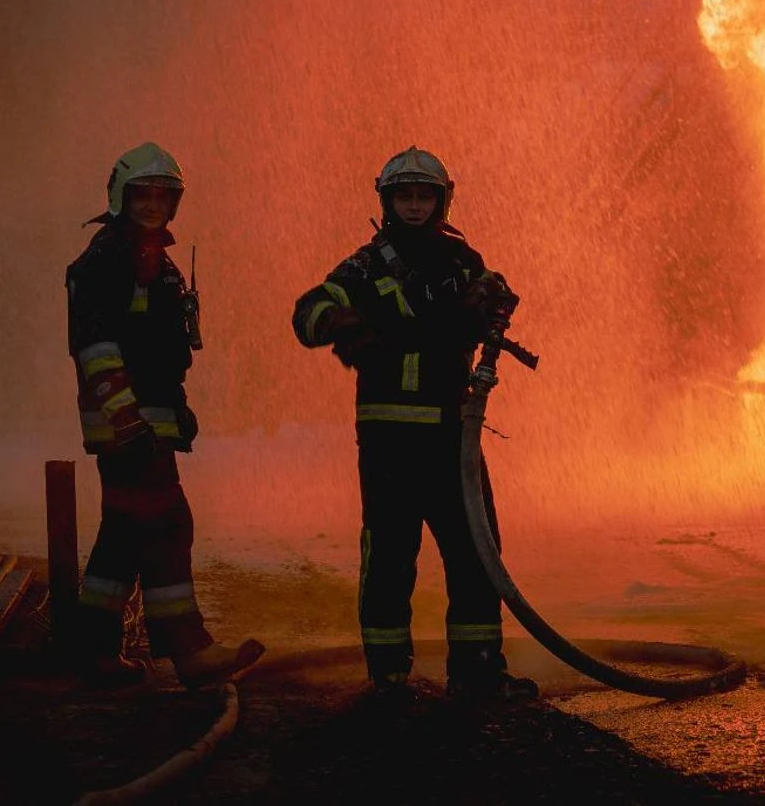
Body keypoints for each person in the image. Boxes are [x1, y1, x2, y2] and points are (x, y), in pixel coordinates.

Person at [291, 145, 536, 703]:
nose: (416, 205)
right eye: (405, 196)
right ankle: (389, 676)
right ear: (387, 200)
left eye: (426, 196)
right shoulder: (364, 266)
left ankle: (476, 671)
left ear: (442, 200)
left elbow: (498, 290)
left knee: (476, 550)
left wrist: (492, 299)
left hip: (454, 436)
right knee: (391, 556)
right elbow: (306, 310)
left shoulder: (461, 261)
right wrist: (336, 319)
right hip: (390, 440)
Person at [65, 141, 264, 688]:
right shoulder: (109, 256)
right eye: (143, 194)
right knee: (168, 524)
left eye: (162, 195)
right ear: (120, 195)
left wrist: (174, 412)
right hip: (128, 426)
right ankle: (189, 650)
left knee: (124, 532)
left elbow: (156, 351)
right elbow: (95, 342)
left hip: (145, 421)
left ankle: (93, 650)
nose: (153, 204)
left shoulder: (151, 255)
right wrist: (126, 416)